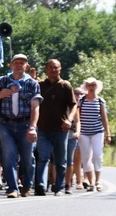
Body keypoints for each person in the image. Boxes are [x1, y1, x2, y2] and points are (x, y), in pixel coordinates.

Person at [0, 54, 42, 198]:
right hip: (6, 124)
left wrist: (32, 127)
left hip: (25, 124)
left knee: (28, 158)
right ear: (10, 65)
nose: (19, 65)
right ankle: (12, 188)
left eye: (22, 63)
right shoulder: (2, 81)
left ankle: (27, 185)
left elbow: (35, 107)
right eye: (16, 63)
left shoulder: (32, 84)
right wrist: (0, 95)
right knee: (8, 155)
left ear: (27, 66)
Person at [35, 59, 78, 196]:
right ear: (46, 69)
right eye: (51, 67)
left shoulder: (65, 86)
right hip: (43, 128)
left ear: (60, 69)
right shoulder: (40, 85)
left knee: (60, 161)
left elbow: (73, 105)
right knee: (43, 158)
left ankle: (58, 187)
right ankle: (41, 185)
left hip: (61, 130)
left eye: (56, 68)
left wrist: (70, 120)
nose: (54, 70)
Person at [77, 77, 110, 192]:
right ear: (86, 87)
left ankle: (98, 180)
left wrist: (108, 134)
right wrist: (77, 131)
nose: (91, 88)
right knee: (86, 157)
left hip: (97, 131)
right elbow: (78, 117)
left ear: (96, 87)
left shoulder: (100, 101)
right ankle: (91, 182)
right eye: (89, 85)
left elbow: (104, 119)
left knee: (97, 155)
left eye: (93, 85)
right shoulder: (81, 100)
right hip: (84, 133)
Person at [65, 88, 84, 193]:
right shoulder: (63, 103)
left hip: (74, 135)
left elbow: (78, 121)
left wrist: (78, 131)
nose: (79, 95)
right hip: (60, 134)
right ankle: (57, 182)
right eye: (76, 93)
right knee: (58, 160)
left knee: (74, 160)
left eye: (81, 94)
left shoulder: (79, 104)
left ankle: (77, 182)